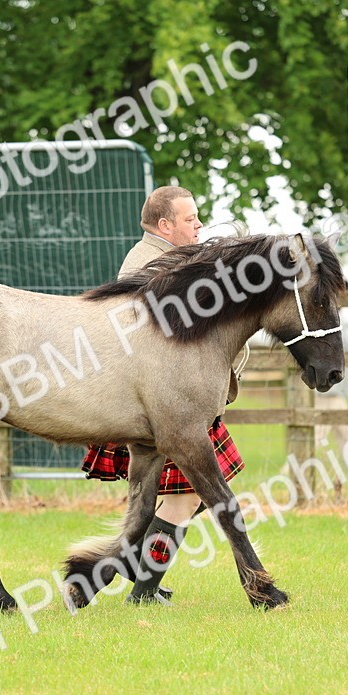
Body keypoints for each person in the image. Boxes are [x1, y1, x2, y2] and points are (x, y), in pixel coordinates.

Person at [81, 186, 245, 603]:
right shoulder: (150, 265)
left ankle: (131, 571)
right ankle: (138, 584)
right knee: (190, 494)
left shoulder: (172, 259)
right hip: (166, 403)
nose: (199, 225)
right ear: (165, 225)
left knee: (186, 497)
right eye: (191, 219)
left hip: (175, 399)